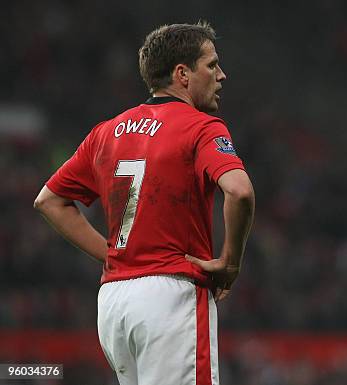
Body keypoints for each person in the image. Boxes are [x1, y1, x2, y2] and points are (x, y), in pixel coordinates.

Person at [33, 22, 255, 385]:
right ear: (182, 74)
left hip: (114, 301)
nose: (222, 75)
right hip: (170, 295)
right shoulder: (201, 126)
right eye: (212, 65)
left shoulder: (105, 132)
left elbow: (49, 200)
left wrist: (110, 255)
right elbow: (240, 191)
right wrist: (230, 262)